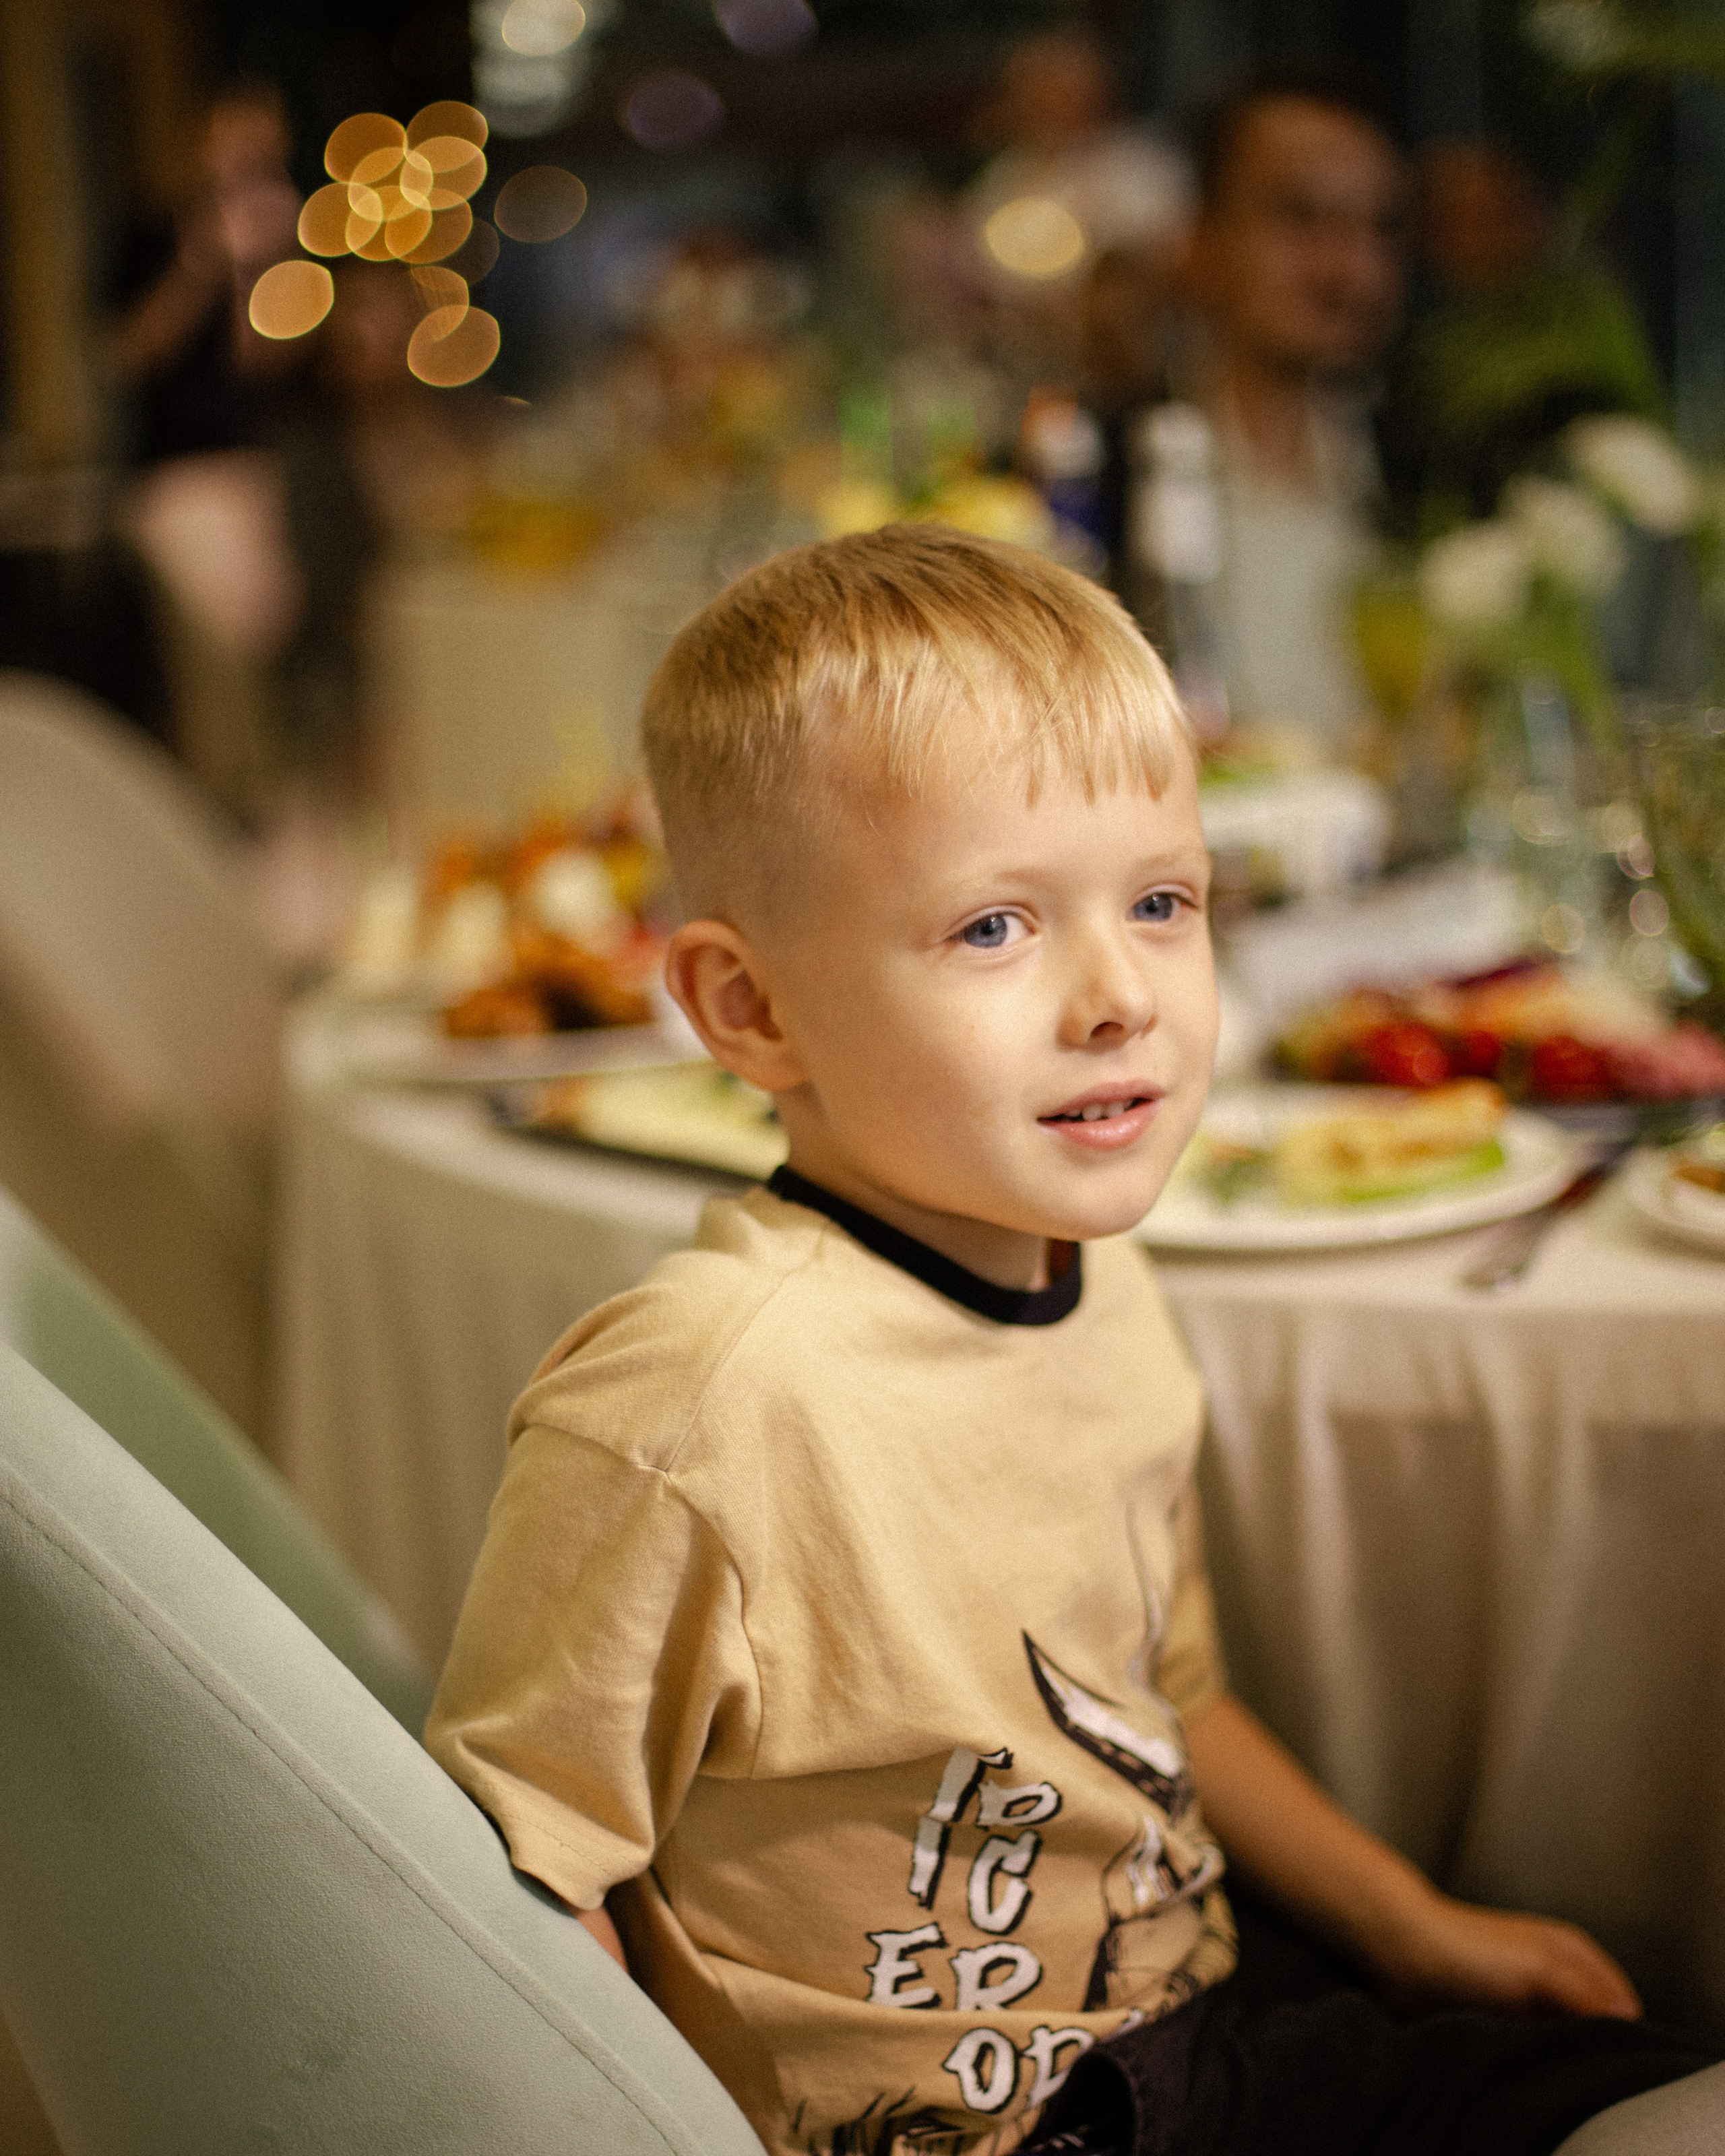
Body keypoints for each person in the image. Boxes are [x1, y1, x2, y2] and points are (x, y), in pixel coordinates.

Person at [426, 524, 1721, 2156]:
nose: (1118, 995)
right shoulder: (698, 1401)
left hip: (1194, 2021)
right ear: (747, 1010)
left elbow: (1166, 1703)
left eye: (1161, 901)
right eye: (992, 928)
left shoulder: (1099, 1280)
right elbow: (505, 1890)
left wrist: (1407, 1924)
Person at [1170, 67, 1408, 756]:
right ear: (1201, 239)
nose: (1351, 270)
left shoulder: (1419, 466)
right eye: (1301, 219)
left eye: (1379, 229)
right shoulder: (1115, 469)